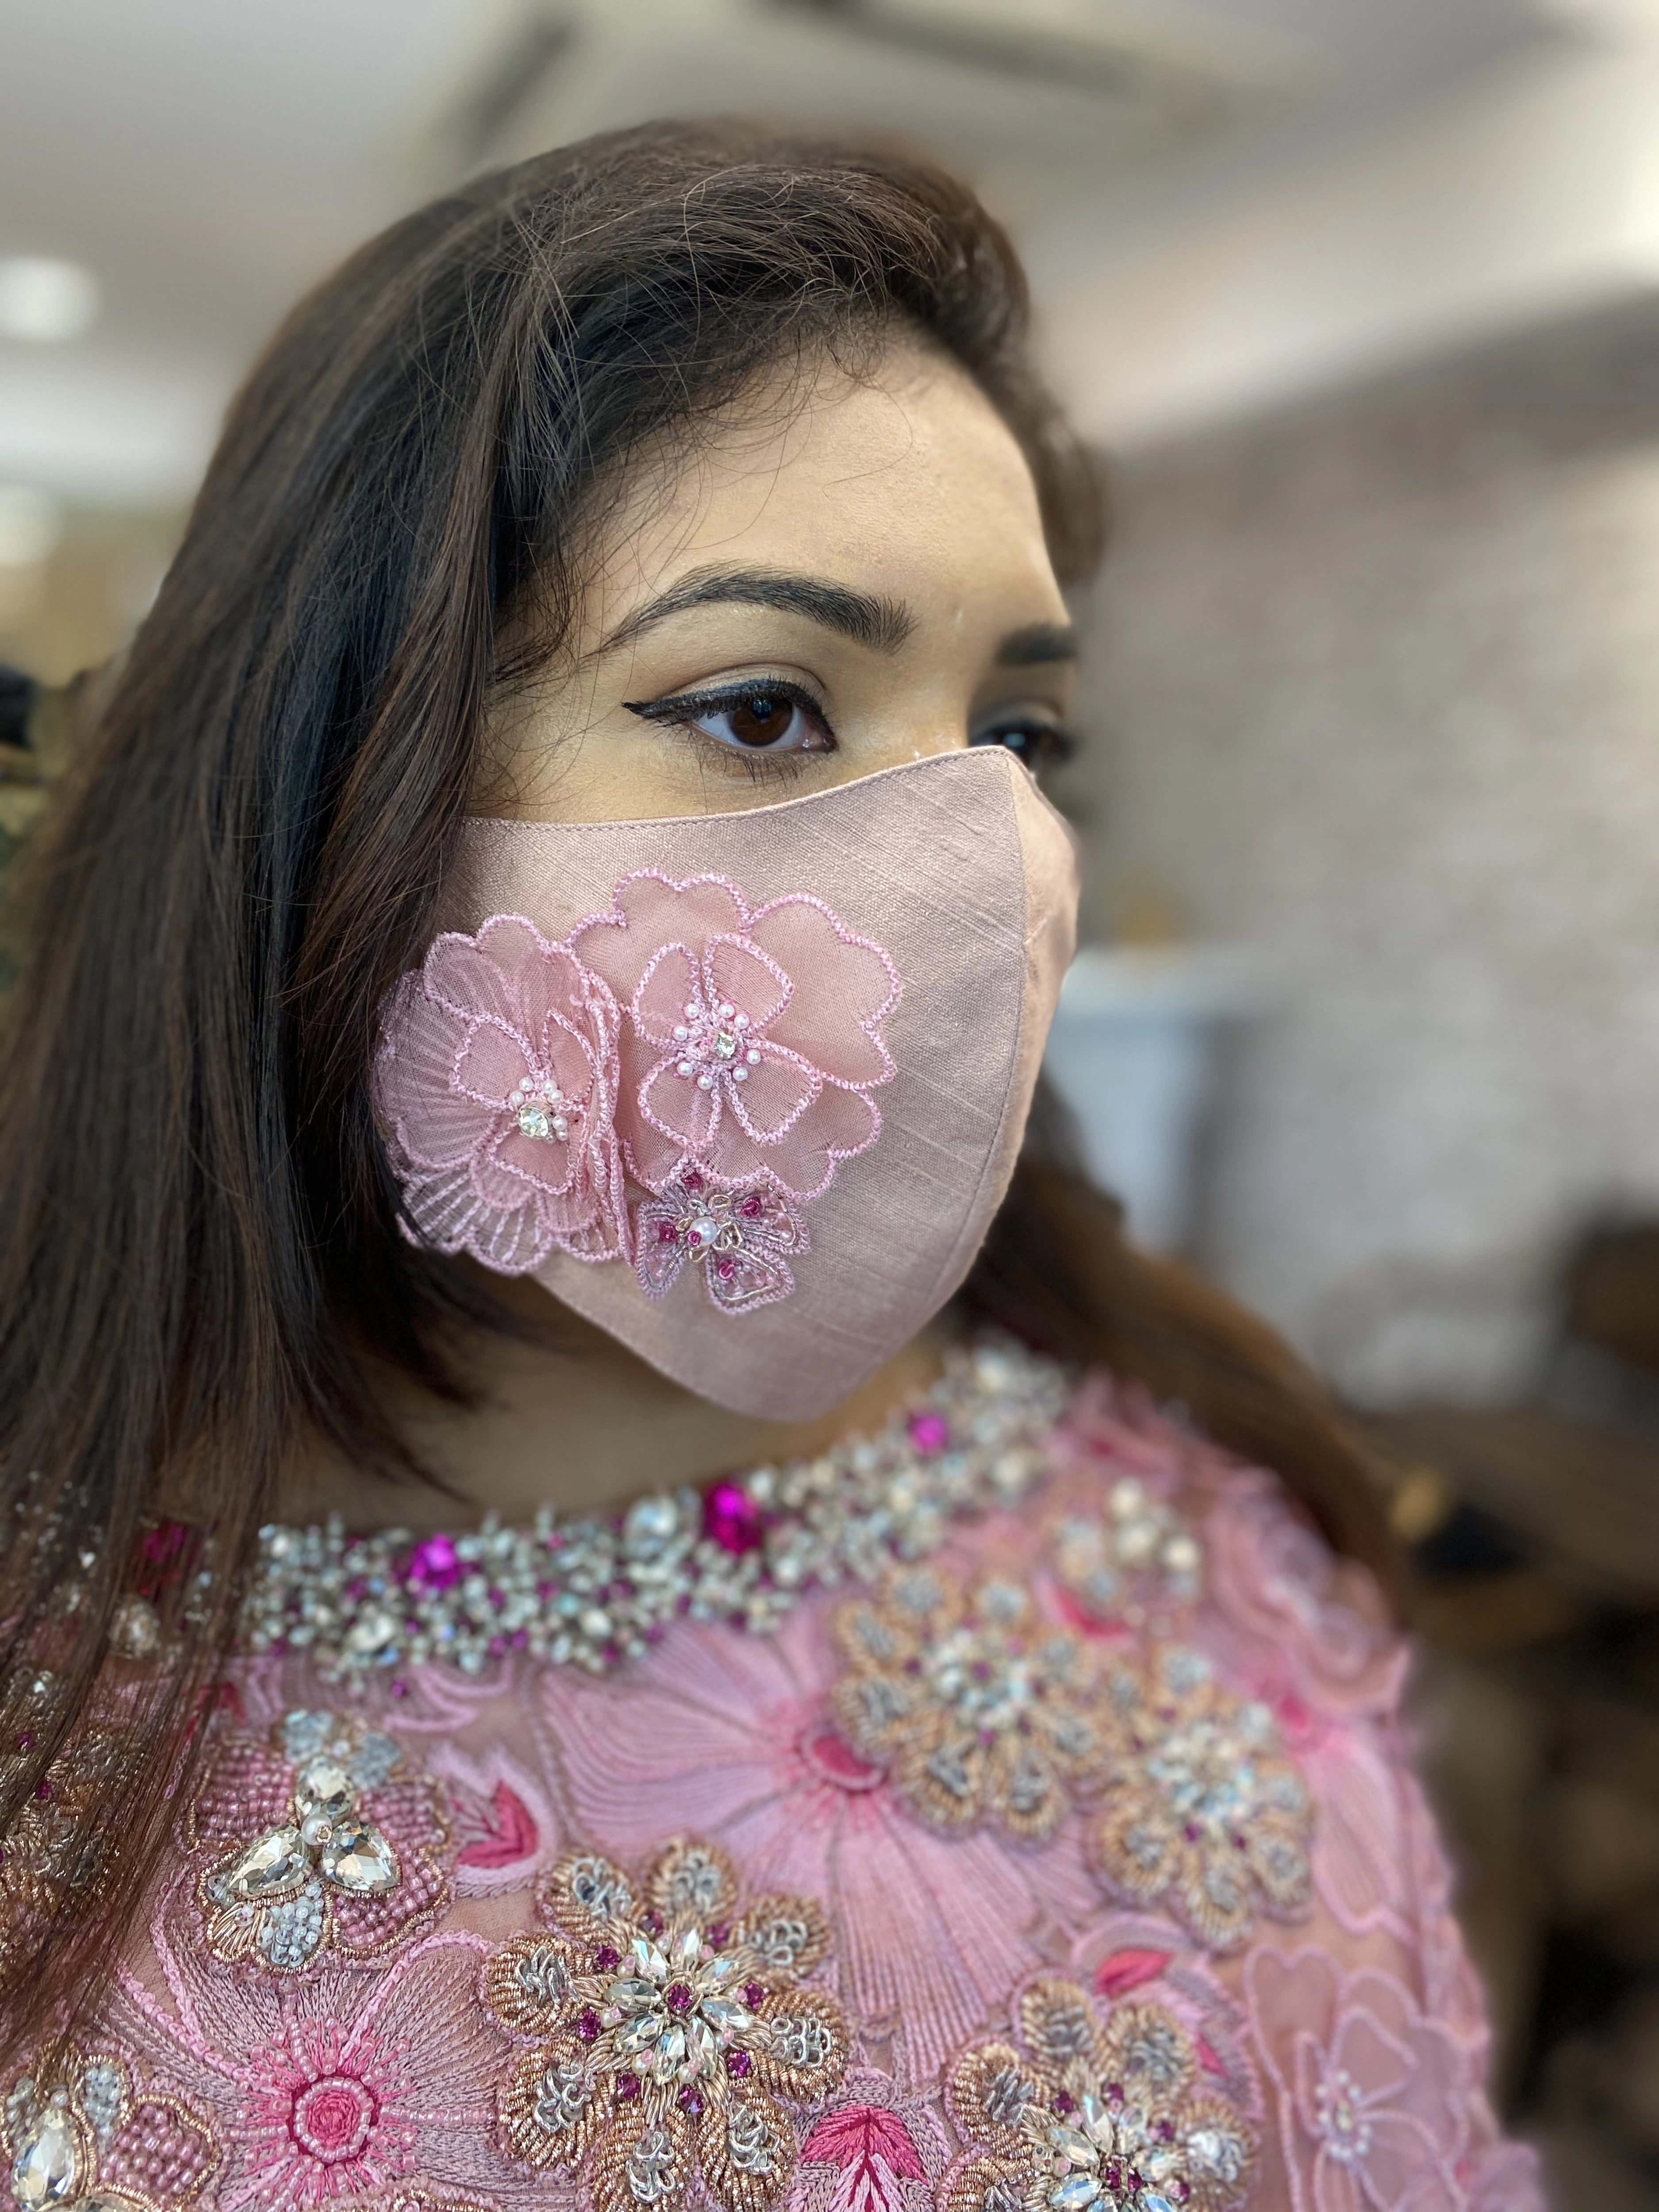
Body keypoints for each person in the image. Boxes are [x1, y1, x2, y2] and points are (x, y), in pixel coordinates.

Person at [0, 123, 1539, 2211]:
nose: (983, 865)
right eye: (760, 708)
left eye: (1016, 738)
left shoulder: (1180, 1522)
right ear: (323, 771)